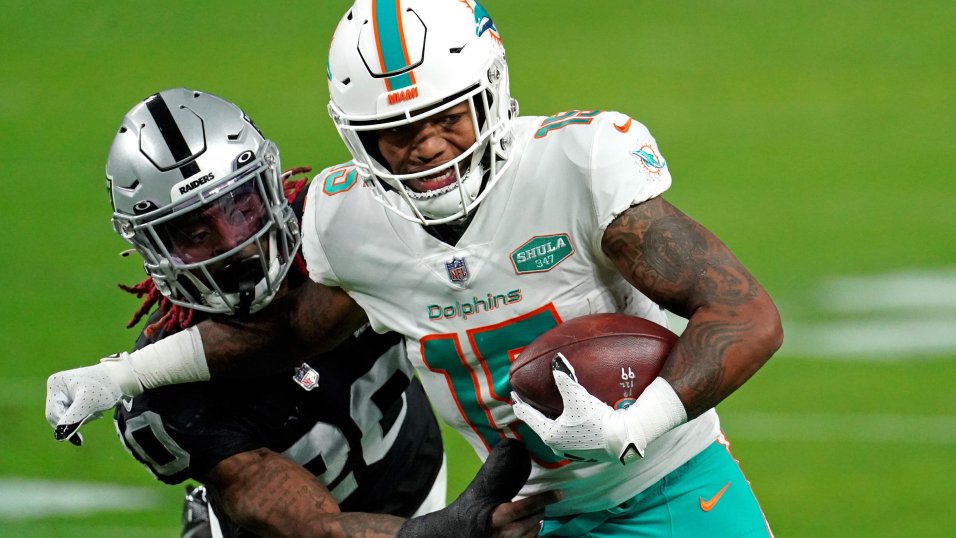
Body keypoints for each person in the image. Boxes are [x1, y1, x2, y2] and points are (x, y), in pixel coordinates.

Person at [47, 1, 783, 536]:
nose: (426, 146)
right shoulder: (349, 218)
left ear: (490, 95)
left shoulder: (579, 165)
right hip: (531, 519)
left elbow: (747, 316)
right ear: (356, 136)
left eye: (446, 117)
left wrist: (633, 421)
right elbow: (283, 337)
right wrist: (122, 376)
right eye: (395, 130)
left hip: (674, 494)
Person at [62, 87, 555, 538]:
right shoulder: (170, 400)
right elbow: (320, 530)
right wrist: (449, 533)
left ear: (273, 186)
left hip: (419, 488)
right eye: (194, 233)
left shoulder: (348, 232)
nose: (233, 246)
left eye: (240, 207)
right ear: (153, 251)